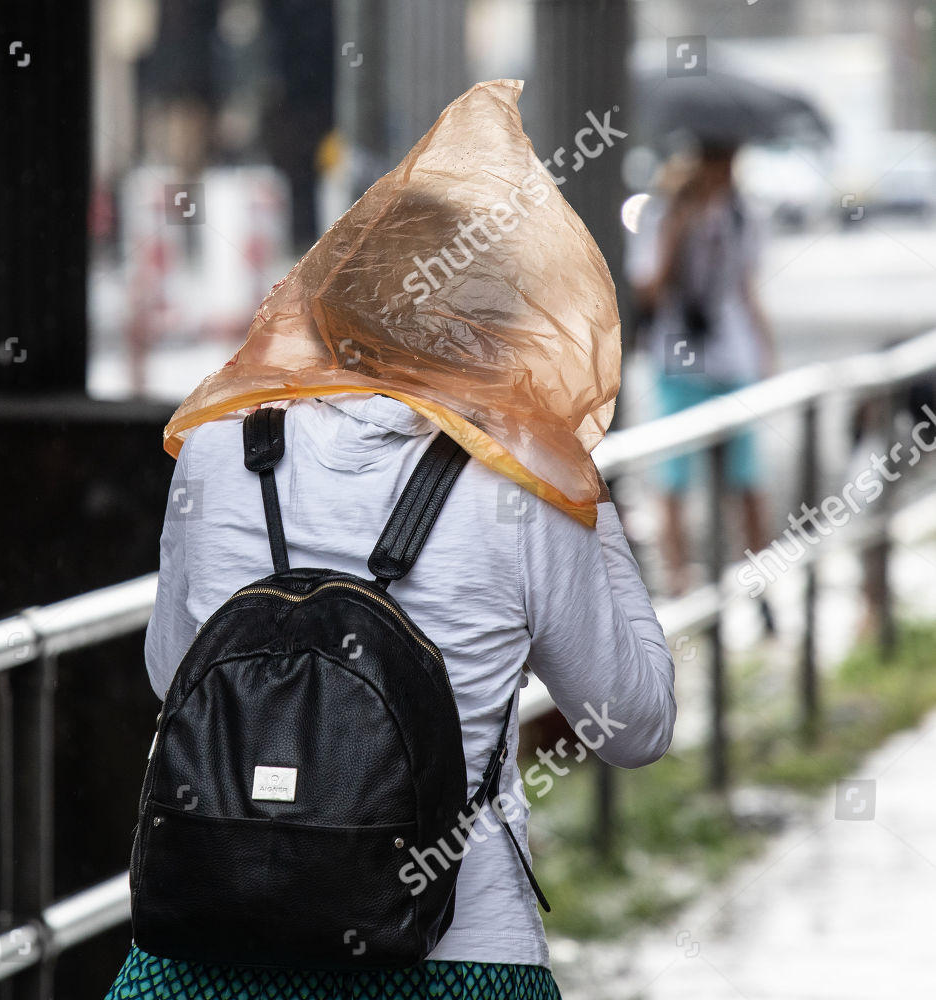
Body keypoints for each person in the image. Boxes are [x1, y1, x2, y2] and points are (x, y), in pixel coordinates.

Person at [104, 391, 678, 999]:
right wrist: (592, 502)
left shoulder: (215, 450)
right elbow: (637, 728)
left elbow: (173, 678)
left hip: (204, 956)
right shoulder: (525, 477)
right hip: (459, 962)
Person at [632, 144, 777, 601]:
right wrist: (677, 230)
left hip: (732, 357)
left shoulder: (740, 216)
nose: (723, 171)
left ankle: (762, 584)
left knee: (747, 480)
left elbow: (747, 287)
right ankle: (681, 586)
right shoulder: (660, 214)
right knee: (673, 481)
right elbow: (648, 289)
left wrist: (766, 351)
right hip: (677, 360)